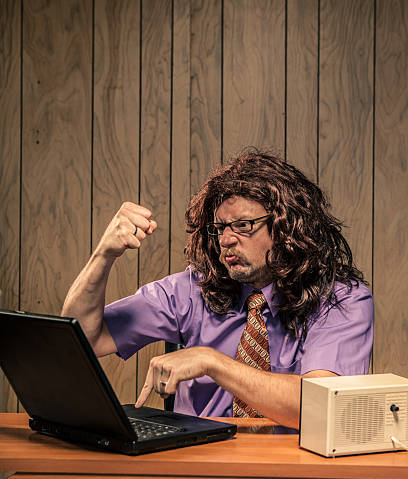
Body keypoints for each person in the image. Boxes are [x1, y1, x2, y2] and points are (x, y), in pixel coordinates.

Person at [62, 149, 373, 429]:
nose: (226, 239)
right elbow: (81, 339)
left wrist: (211, 362)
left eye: (243, 226)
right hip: (197, 468)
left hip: (298, 471)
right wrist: (103, 255)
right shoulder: (191, 290)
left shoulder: (341, 299)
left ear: (286, 227)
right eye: (220, 227)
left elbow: (321, 407)